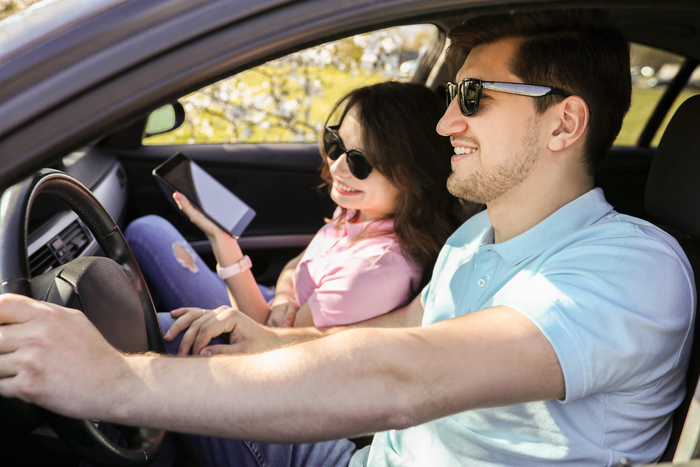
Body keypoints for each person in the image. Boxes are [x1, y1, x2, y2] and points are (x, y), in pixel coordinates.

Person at [0, 8, 695, 467]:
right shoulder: (479, 235)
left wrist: (115, 380)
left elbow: (404, 374)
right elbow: (399, 338)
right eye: (451, 96)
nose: (446, 122)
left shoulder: (633, 266)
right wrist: (267, 339)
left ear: (564, 124)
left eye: (473, 97)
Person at [124, 82, 468, 354]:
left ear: (414, 176)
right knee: (146, 229)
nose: (336, 166)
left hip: (261, 345)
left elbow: (263, 341)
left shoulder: (373, 271)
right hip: (270, 305)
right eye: (336, 145)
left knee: (131, 330)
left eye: (361, 162)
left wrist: (222, 240)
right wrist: (286, 297)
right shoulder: (359, 214)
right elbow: (296, 265)